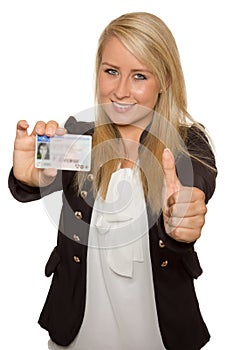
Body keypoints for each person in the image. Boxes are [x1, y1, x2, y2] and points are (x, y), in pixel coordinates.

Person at [8, 12, 217, 350]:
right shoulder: (80, 135)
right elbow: (39, 177)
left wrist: (185, 215)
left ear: (164, 80)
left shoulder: (188, 145)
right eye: (111, 72)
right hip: (79, 323)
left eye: (139, 76)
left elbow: (197, 185)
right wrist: (30, 178)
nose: (121, 91)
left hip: (158, 328)